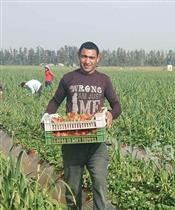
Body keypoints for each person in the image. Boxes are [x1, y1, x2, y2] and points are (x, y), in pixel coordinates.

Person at [43, 41, 121, 210]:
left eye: (91, 57)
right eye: (84, 56)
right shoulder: (68, 78)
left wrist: (110, 114)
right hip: (73, 143)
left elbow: (116, 105)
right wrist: (46, 116)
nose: (87, 61)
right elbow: (55, 101)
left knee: (100, 185)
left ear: (98, 59)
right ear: (79, 56)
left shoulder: (104, 80)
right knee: (73, 189)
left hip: (97, 145)